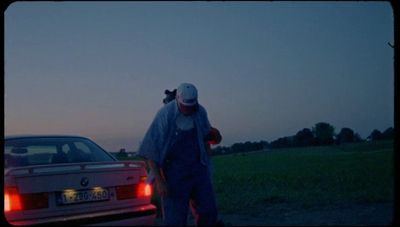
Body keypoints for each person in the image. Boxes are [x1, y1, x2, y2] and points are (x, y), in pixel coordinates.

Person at [138, 82, 221, 226]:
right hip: (174, 173)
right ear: (177, 100)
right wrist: (160, 181)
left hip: (198, 169)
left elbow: (207, 137)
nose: (188, 110)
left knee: (208, 210)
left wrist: (208, 164)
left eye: (191, 107)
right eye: (185, 107)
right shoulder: (165, 115)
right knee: (175, 218)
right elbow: (151, 149)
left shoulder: (200, 111)